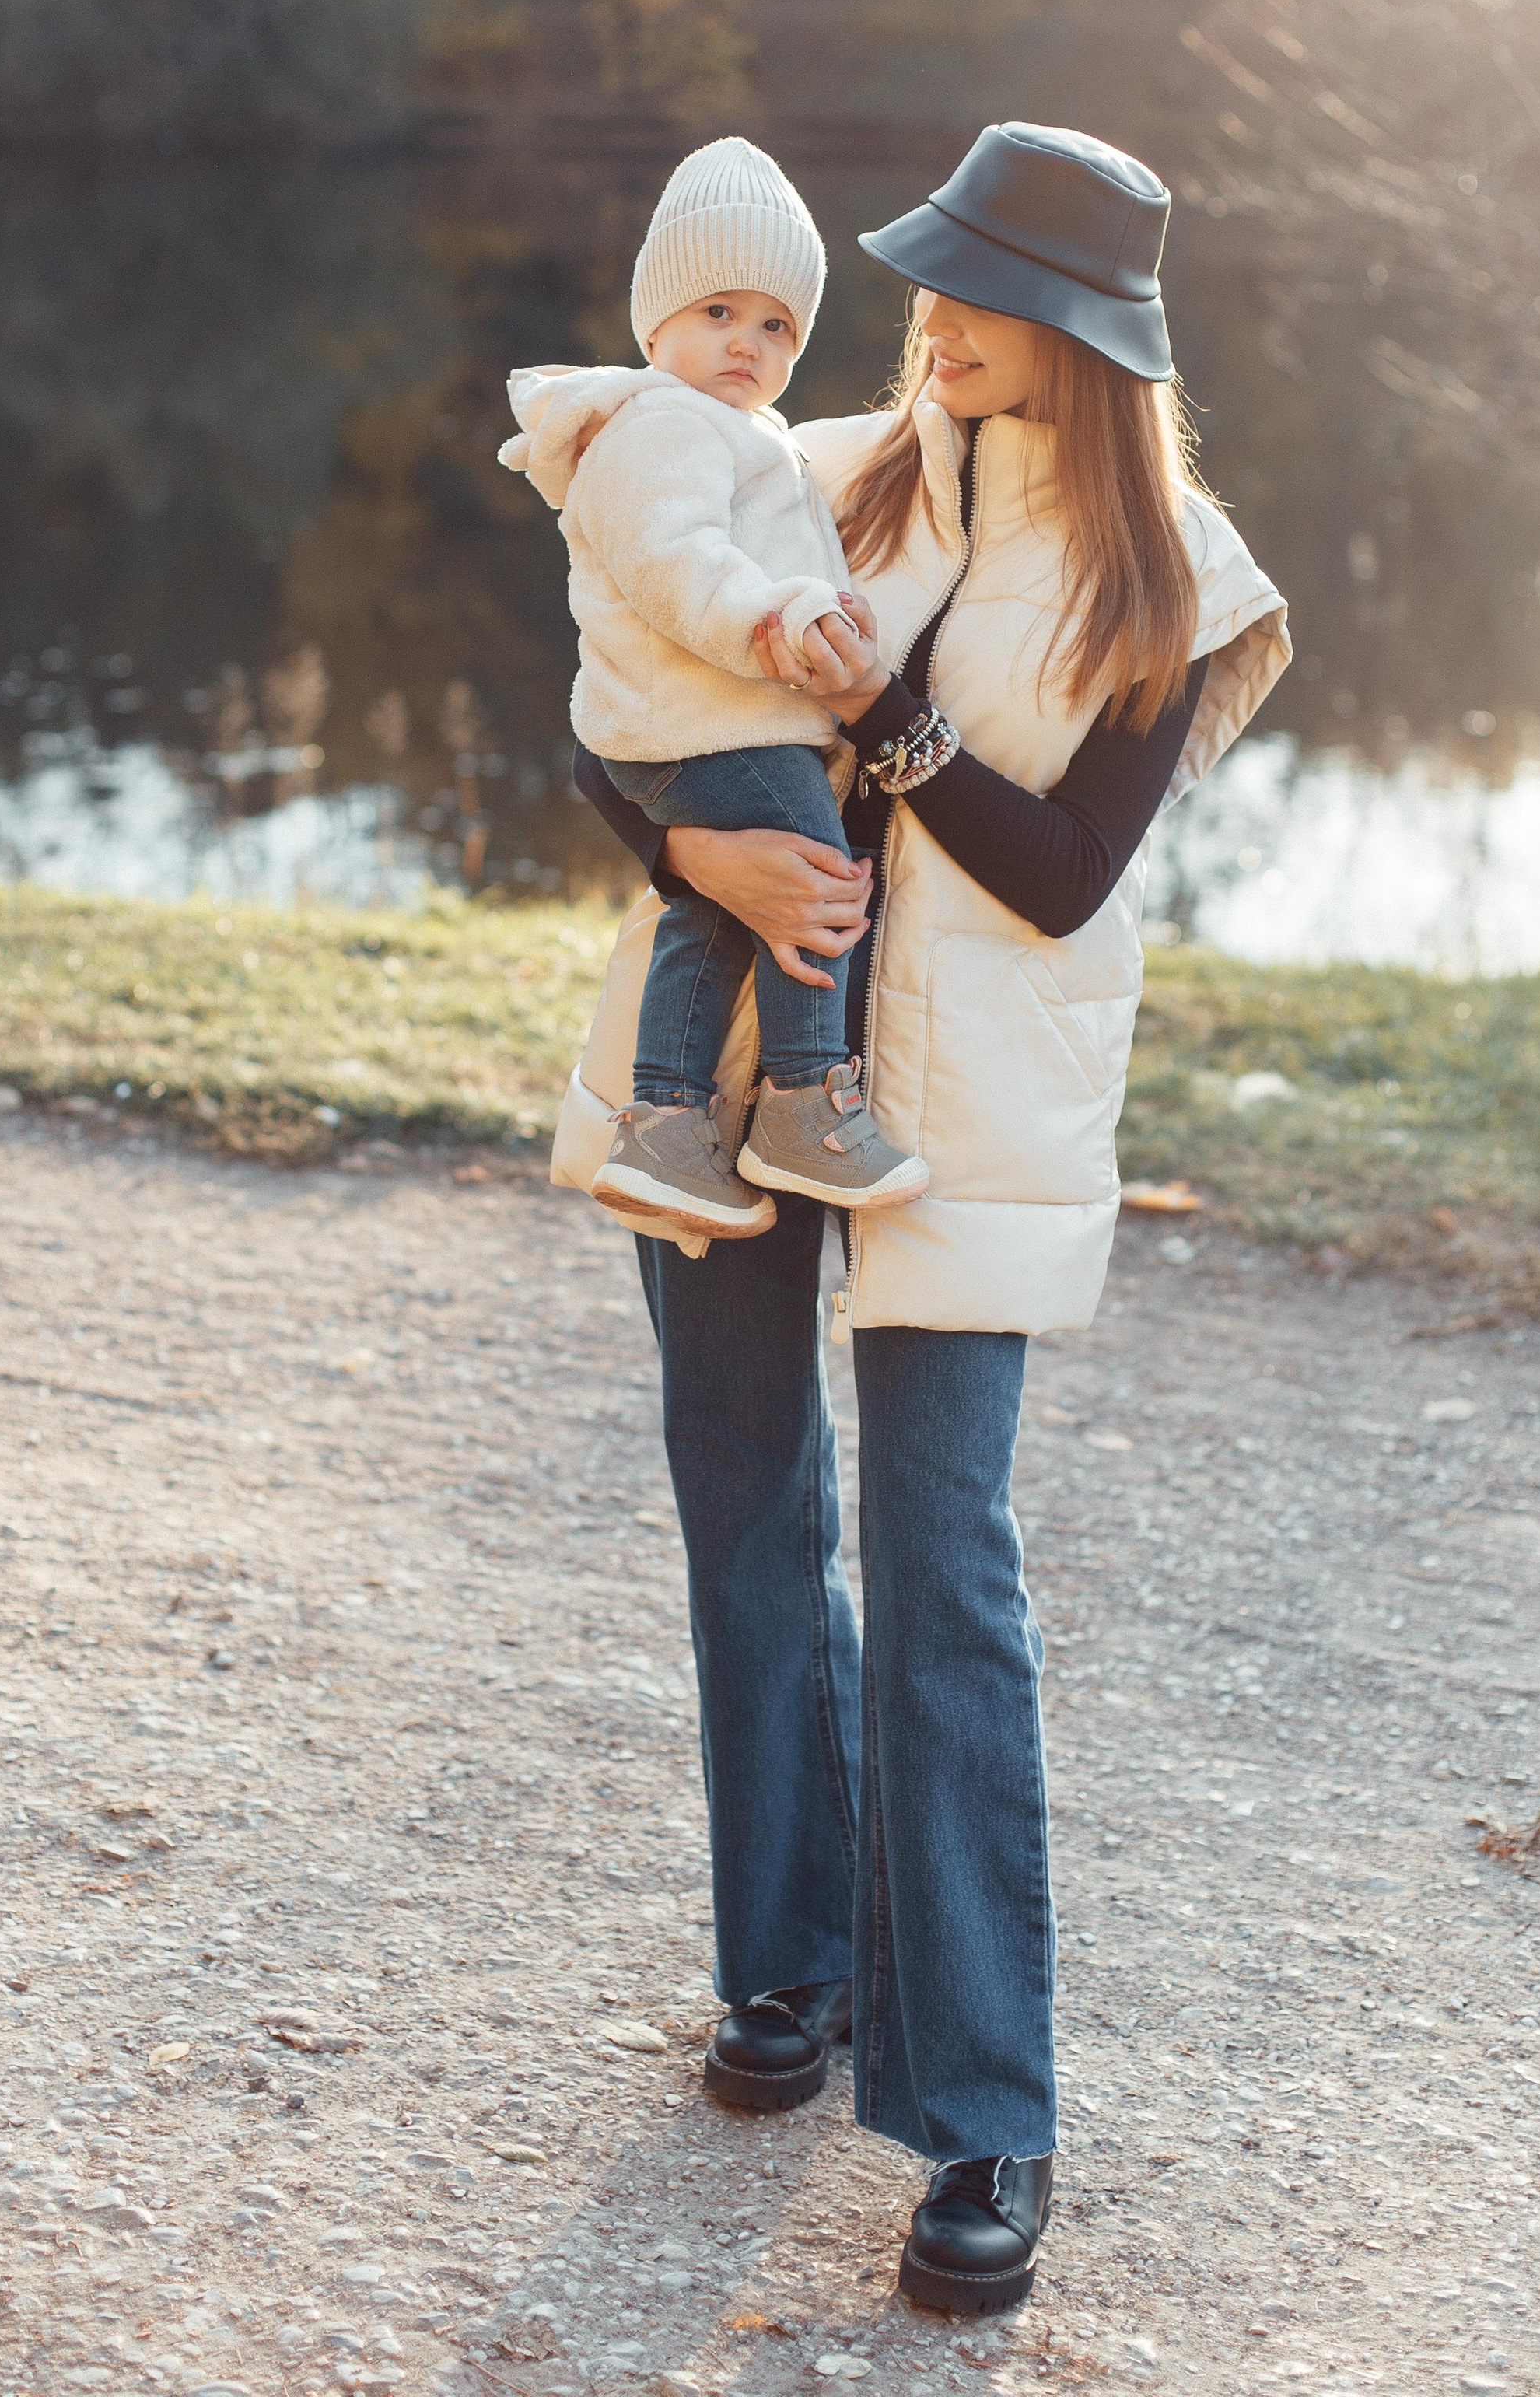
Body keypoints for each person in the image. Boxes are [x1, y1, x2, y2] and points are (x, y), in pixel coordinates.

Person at [556, 123, 1291, 2314]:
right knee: (743, 1496)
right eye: (932, 287)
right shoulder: (812, 460)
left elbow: (1064, 867)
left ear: (1086, 339)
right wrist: (697, 862)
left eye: (981, 301)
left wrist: (884, 718)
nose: (936, 326)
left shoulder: (1184, 579)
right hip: (743, 1078)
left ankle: (988, 2112)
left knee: (945, 1562)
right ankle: (789, 1963)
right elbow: (631, 703)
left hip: (974, 1117)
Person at [499, 135, 924, 1237]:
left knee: (715, 909)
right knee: (814, 874)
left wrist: (831, 608)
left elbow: (778, 559)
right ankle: (801, 1095)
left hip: (703, 725)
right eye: (719, 313)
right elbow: (677, 564)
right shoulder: (663, 424)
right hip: (704, 725)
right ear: (657, 327)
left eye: (776, 325)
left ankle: (665, 1128)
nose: (748, 343)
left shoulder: (745, 432)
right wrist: (778, 621)